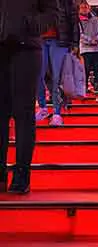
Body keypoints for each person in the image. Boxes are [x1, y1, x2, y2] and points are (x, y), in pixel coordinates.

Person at [0, 0, 59, 193]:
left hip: (26, 49)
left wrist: (29, 25)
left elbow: (51, 13)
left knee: (23, 114)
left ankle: (21, 175)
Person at [35, 0, 80, 126]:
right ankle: (43, 107)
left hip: (60, 41)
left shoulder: (67, 2)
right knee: (39, 75)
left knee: (57, 77)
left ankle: (56, 112)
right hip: (39, 40)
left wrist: (75, 43)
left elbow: (74, 22)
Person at [79, 1, 98, 92]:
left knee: (97, 68)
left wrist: (97, 39)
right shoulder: (77, 21)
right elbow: (79, 34)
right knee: (86, 69)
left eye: (86, 7)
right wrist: (89, 40)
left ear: (89, 8)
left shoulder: (97, 19)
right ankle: (85, 86)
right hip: (86, 49)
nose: (85, 9)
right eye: (82, 7)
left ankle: (97, 84)